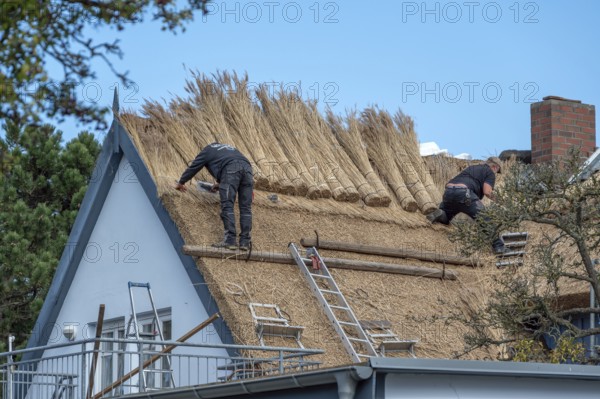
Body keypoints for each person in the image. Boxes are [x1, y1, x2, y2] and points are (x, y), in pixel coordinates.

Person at [175, 143, 253, 251]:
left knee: (227, 205)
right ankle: (245, 242)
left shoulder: (207, 150)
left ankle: (230, 240)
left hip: (231, 169)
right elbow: (237, 167)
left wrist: (181, 182)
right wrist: (222, 183)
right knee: (246, 208)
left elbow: (194, 166)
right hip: (248, 169)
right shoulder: (229, 149)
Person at [427, 156, 506, 254]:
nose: (496, 174)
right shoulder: (490, 172)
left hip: (448, 193)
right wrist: (501, 201)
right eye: (497, 171)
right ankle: (499, 247)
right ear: (495, 167)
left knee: (447, 217)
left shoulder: (471, 168)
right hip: (464, 194)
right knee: (486, 218)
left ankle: (441, 214)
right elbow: (487, 192)